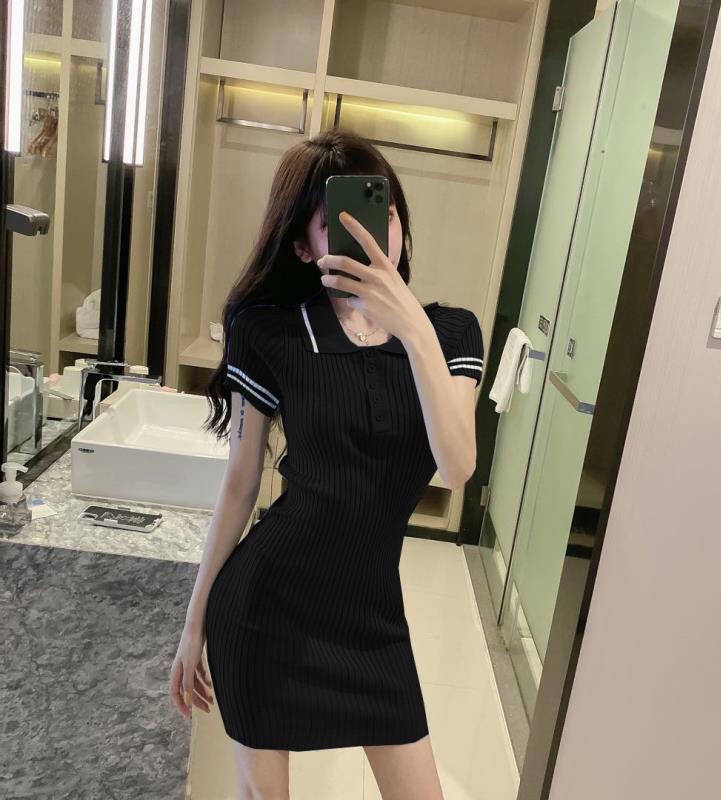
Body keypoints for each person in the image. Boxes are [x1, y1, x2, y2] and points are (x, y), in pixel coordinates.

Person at [170, 130, 484, 800]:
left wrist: (412, 327)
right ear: (304, 247)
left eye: (384, 213)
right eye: (337, 223)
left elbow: (456, 466)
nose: (373, 233)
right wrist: (193, 624)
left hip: (373, 622)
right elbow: (240, 485)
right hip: (266, 609)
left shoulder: (450, 333)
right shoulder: (272, 330)